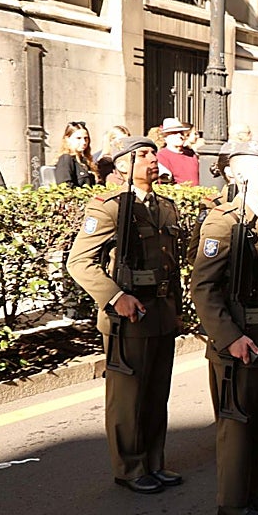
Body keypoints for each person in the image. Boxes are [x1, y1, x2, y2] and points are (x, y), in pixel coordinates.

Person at [66, 137, 183, 494]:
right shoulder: (109, 207)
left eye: (152, 153)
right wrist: (116, 297)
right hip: (128, 315)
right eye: (141, 155)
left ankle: (154, 461)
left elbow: (171, 264)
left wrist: (177, 309)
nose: (151, 159)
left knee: (156, 392)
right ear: (121, 165)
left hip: (161, 311)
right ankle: (130, 467)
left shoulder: (165, 206)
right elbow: (79, 262)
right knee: (128, 396)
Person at [190, 140, 258, 515]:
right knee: (237, 424)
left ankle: (255, 493)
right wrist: (229, 337)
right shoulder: (224, 222)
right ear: (237, 174)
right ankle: (233, 501)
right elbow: (203, 287)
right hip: (238, 339)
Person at [157, 118, 200, 185]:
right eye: (174, 133)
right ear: (165, 137)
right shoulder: (162, 156)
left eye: (181, 133)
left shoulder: (191, 153)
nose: (179, 136)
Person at [56, 121, 97, 187]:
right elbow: (65, 186)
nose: (84, 142)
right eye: (78, 138)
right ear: (67, 139)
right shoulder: (66, 159)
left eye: (86, 138)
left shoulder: (85, 161)